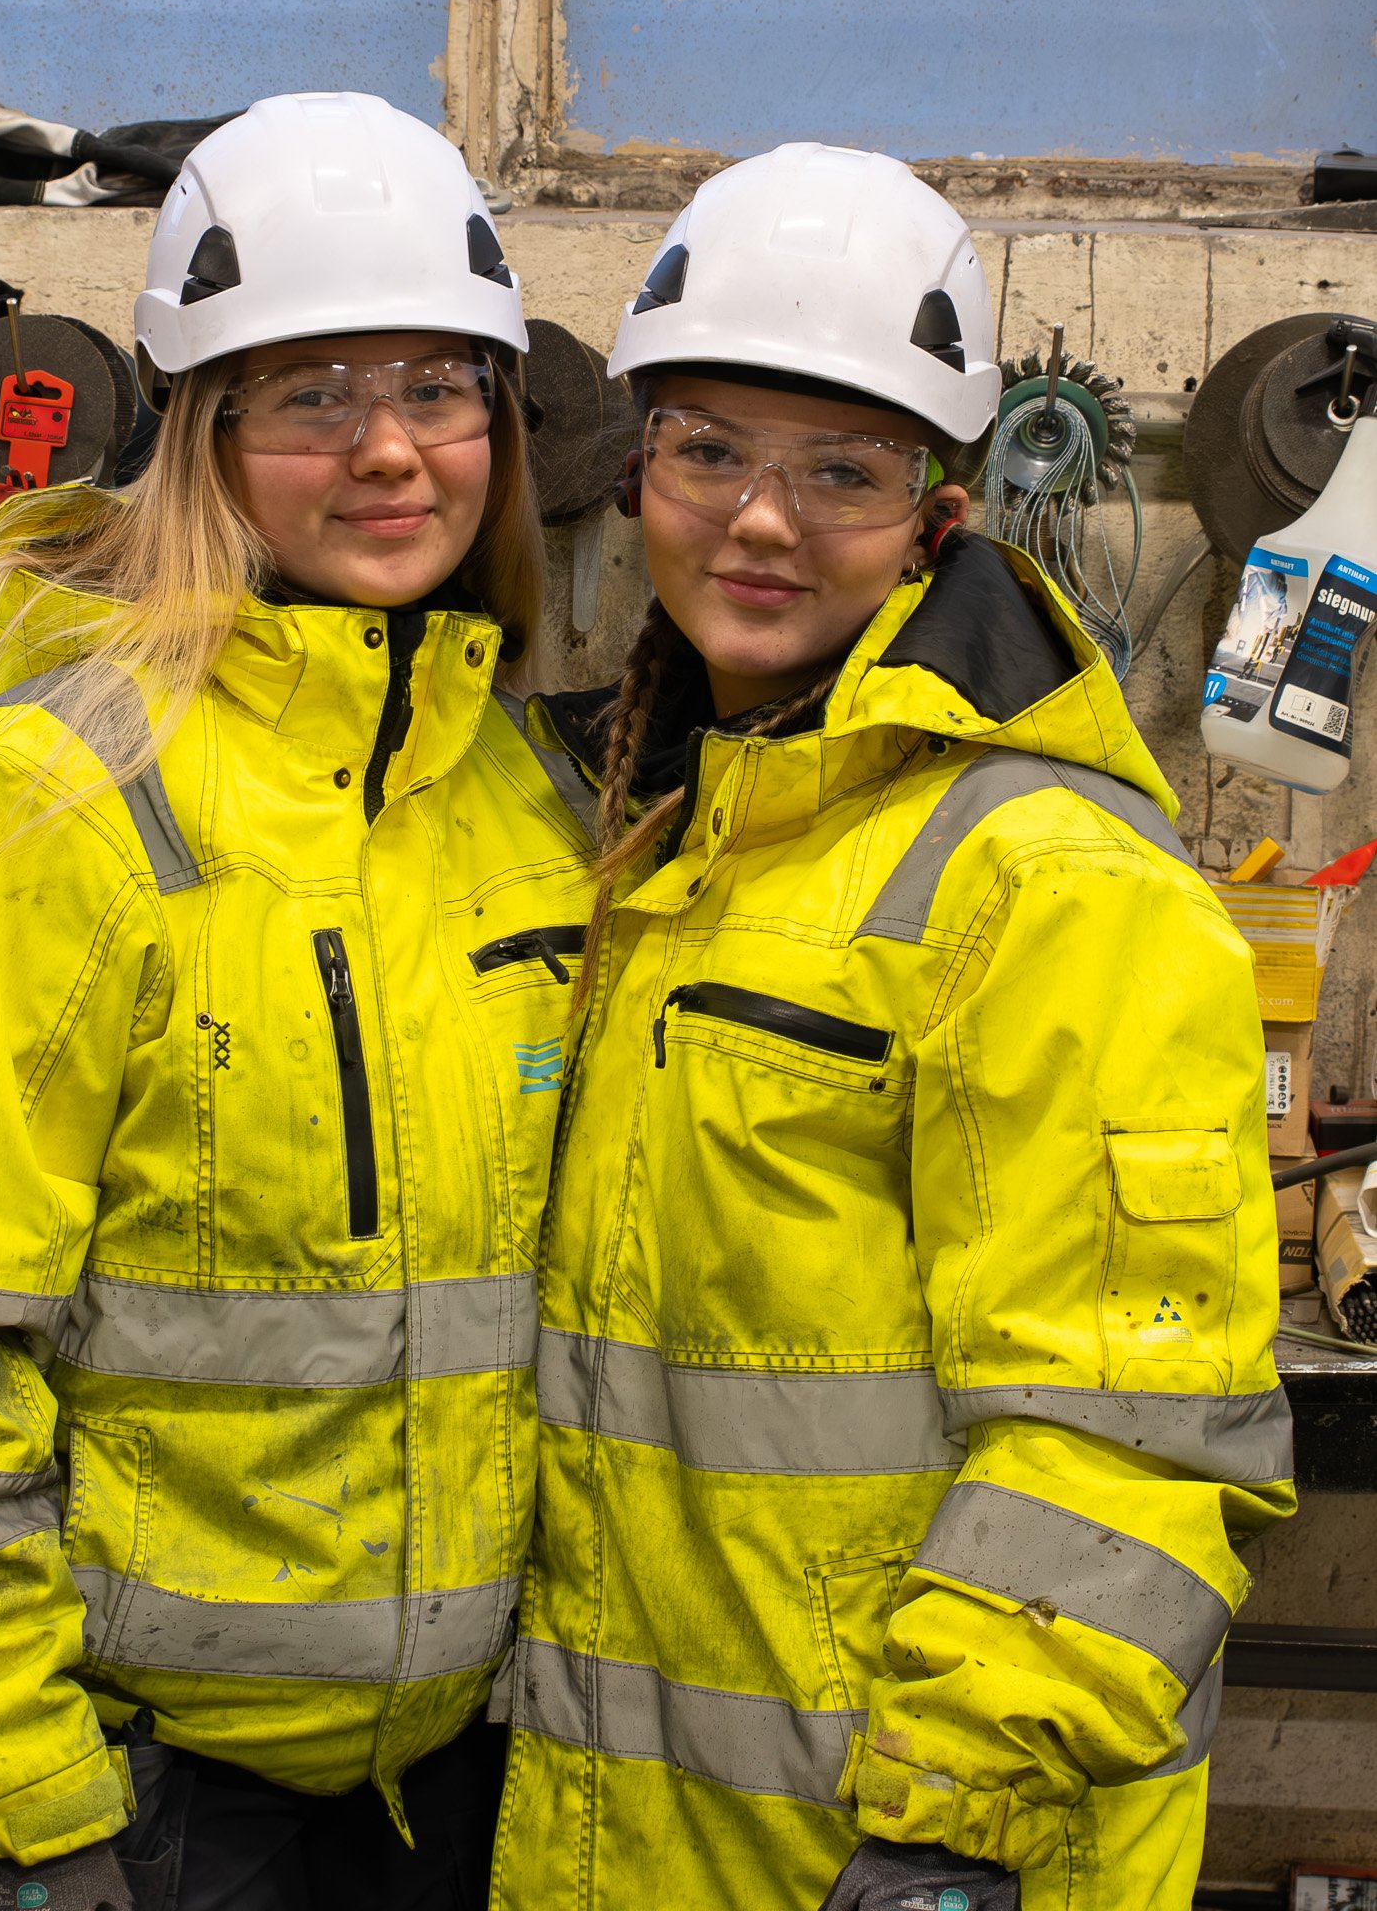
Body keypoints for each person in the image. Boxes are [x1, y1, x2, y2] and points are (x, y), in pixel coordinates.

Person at [0, 92, 596, 1911]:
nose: (389, 452)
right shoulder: (23, 810)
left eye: (437, 387)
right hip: (130, 1810)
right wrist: (14, 1811)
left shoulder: (526, 805)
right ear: (201, 428)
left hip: (456, 1794)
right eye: (311, 395)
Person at [488, 144, 1294, 1911]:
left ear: (938, 515)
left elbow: (1128, 1434)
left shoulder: (1052, 880)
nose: (760, 522)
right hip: (646, 1836)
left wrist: (951, 1829)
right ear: (637, 477)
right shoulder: (668, 840)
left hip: (905, 1843)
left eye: (838, 471)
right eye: (708, 451)